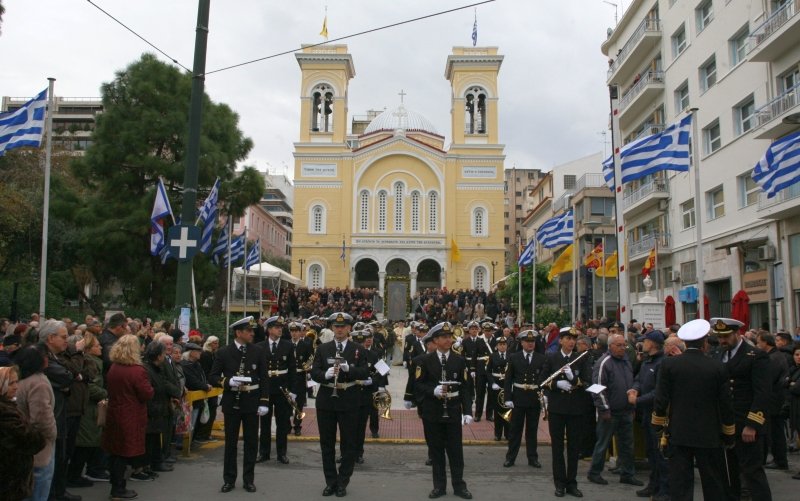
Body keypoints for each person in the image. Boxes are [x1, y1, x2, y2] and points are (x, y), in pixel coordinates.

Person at [652, 319, 736, 501]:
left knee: (680, 485)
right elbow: (725, 404)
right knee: (713, 483)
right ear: (705, 343)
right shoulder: (717, 367)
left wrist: (658, 425)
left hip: (679, 431)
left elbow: (661, 399)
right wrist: (728, 432)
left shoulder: (669, 365)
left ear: (685, 343)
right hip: (709, 433)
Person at [712, 317, 773, 500]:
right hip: (725, 424)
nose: (722, 340)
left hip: (746, 423)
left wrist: (752, 424)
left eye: (726, 336)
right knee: (729, 473)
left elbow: (762, 393)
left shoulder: (755, 356)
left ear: (737, 334)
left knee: (752, 472)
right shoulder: (718, 355)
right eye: (720, 336)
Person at [310, 312, 369, 497]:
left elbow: (365, 372)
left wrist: (349, 369)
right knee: (326, 444)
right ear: (332, 328)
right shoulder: (323, 348)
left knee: (349, 443)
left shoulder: (358, 348)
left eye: (343, 326)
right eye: (336, 326)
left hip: (349, 397)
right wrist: (324, 375)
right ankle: (331, 481)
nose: (340, 329)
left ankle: (343, 481)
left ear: (349, 328)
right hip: (327, 398)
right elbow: (314, 372)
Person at [209, 316, 270, 494]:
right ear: (238, 333)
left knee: (251, 442)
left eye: (252, 331)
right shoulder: (223, 352)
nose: (252, 333)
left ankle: (248, 479)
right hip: (232, 403)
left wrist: (264, 401)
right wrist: (228, 382)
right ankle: (229, 479)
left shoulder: (257, 351)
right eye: (248, 331)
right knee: (231, 443)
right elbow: (213, 376)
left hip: (251, 401)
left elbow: (264, 378)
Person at [414, 321, 473, 499]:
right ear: (436, 340)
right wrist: (432, 390)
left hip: (453, 409)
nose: (449, 340)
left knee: (456, 451)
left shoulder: (459, 360)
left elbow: (465, 388)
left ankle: (459, 486)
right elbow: (418, 384)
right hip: (432, 411)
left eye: (450, 337)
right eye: (444, 337)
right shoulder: (424, 360)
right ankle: (439, 486)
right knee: (437, 451)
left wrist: (468, 411)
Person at [587, 333, 643, 487]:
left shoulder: (626, 361)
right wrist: (604, 409)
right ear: (610, 346)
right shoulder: (604, 362)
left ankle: (627, 473)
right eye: (619, 345)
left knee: (627, 445)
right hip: (610, 412)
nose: (623, 348)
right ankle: (594, 472)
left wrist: (632, 405)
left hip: (626, 411)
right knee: (603, 443)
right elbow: (597, 389)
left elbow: (631, 382)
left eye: (624, 345)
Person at [101, 334, 154, 500]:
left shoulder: (114, 368)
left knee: (116, 452)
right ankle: (118, 488)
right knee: (124, 454)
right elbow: (146, 393)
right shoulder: (137, 371)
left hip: (115, 412)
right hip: (131, 415)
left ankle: (116, 485)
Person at [542, 327, 592, 498]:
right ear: (560, 340)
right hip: (557, 408)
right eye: (568, 338)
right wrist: (556, 385)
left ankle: (572, 483)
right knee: (557, 448)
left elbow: (587, 382)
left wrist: (573, 379)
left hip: (576, 408)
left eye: (574, 339)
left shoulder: (582, 358)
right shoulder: (552, 357)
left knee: (573, 447)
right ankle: (559, 483)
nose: (572, 342)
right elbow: (542, 380)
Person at [628, 330, 668, 500]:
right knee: (651, 453)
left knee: (660, 455)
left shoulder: (662, 363)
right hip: (646, 414)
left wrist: (638, 400)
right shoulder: (647, 361)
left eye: (645, 341)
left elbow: (658, 392)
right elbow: (638, 378)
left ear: (652, 344)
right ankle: (653, 484)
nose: (642, 343)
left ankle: (663, 490)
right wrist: (635, 389)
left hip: (657, 415)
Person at [3, 362, 47, 500]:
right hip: (9, 478)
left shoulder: (9, 407)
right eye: (11, 383)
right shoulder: (6, 413)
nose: (16, 387)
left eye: (16, 382)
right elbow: (31, 440)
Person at [68, 332, 109, 485]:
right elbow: (91, 386)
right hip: (88, 408)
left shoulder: (93, 362)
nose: (101, 348)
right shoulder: (91, 364)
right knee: (85, 443)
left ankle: (78, 473)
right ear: (89, 348)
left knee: (87, 442)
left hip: (87, 407)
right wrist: (105, 393)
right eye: (97, 346)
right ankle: (75, 475)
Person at [502, 329, 546, 469]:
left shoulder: (541, 358)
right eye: (527, 341)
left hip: (533, 397)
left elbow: (543, 380)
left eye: (532, 341)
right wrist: (508, 397)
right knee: (515, 430)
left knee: (532, 430)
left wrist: (544, 395)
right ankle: (511, 457)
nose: (530, 344)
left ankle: (532, 458)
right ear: (521, 343)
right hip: (519, 397)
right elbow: (508, 379)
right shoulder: (514, 357)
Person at [256, 315, 295, 464]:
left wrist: (292, 390)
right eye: (277, 328)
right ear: (269, 330)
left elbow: (292, 369)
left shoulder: (288, 345)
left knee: (282, 423)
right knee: (264, 423)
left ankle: (281, 453)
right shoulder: (259, 346)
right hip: (265, 389)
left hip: (282, 389)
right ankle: (264, 452)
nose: (280, 330)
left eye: (281, 328)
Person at [142, 341, 180, 476]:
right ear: (158, 356)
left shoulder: (155, 368)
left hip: (159, 407)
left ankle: (155, 463)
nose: (165, 356)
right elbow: (154, 388)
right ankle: (147, 466)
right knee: (150, 440)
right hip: (153, 409)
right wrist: (175, 391)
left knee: (156, 438)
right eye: (163, 353)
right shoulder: (147, 369)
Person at [756, 332, 790, 470]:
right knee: (774, 430)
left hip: (775, 399)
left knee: (776, 431)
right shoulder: (775, 356)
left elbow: (769, 378)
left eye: (759, 342)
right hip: (776, 398)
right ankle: (778, 458)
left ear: (765, 343)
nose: (758, 345)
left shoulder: (774, 358)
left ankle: (780, 459)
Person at [288, 322, 312, 436]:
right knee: (287, 402)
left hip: (300, 376)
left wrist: (306, 367)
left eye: (296, 331)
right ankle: (287, 425)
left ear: (300, 332)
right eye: (292, 331)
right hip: (288, 377)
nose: (294, 333)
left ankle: (297, 425)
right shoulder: (286, 344)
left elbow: (311, 358)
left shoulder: (305, 345)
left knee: (299, 403)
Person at [194, 335, 220, 442]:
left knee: (211, 411)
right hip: (208, 386)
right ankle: (202, 435)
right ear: (209, 344)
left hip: (212, 385)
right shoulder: (206, 355)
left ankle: (206, 434)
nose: (217, 345)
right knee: (207, 411)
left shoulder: (213, 354)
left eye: (217, 343)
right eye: (214, 343)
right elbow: (206, 371)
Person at [485, 336, 510, 441]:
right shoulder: (492, 356)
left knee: (508, 409)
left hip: (507, 384)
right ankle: (498, 433)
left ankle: (508, 433)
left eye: (504, 344)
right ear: (497, 346)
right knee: (498, 410)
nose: (502, 346)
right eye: (500, 344)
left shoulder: (511, 356)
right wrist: (492, 383)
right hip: (497, 385)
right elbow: (488, 371)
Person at [785, 344, 800, 480]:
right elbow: (785, 382)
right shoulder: (793, 369)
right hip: (795, 408)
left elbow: (796, 388)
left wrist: (792, 385)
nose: (798, 358)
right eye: (796, 355)